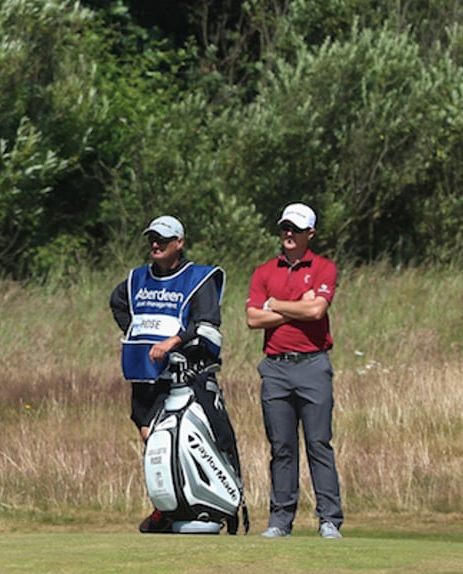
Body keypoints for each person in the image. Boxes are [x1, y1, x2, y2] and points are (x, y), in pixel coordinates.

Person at [109, 215, 232, 533]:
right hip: (144, 373)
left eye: (163, 239)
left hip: (184, 376)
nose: (156, 244)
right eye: (152, 238)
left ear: (179, 243)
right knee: (152, 443)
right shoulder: (137, 279)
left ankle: (189, 505)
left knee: (179, 442)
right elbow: (118, 303)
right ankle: (166, 506)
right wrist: (136, 334)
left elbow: (206, 322)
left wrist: (173, 341)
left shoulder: (199, 278)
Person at [245, 202, 344, 539]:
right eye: (285, 228)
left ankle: (329, 519)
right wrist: (296, 307)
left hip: (313, 365)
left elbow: (317, 310)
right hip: (275, 367)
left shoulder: (323, 268)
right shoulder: (264, 271)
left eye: (296, 230)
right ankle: (280, 521)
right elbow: (253, 319)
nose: (289, 234)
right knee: (282, 447)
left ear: (310, 234)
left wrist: (275, 305)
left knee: (319, 443)